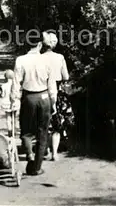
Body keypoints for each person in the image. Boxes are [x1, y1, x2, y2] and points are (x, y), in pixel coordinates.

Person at [10, 33, 57, 176]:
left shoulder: (21, 60)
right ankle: (36, 168)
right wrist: (53, 102)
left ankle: (29, 154)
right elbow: (52, 84)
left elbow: (16, 82)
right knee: (42, 133)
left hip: (29, 97)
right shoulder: (47, 60)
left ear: (26, 44)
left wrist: (14, 100)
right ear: (40, 44)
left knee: (26, 131)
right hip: (44, 97)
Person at [41, 32, 74, 161]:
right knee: (57, 124)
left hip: (43, 91)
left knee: (45, 122)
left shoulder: (40, 57)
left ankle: (46, 149)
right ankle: (55, 153)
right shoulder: (60, 57)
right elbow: (66, 77)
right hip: (58, 91)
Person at [0, 69, 19, 136]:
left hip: (6, 103)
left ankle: (9, 130)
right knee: (14, 117)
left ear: (5, 77)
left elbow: (3, 94)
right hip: (14, 103)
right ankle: (14, 130)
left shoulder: (3, 86)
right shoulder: (16, 85)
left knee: (8, 118)